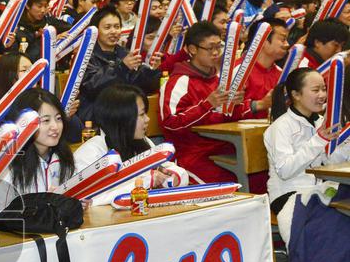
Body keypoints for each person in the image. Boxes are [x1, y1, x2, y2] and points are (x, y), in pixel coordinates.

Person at [264, 67, 350, 262]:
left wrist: (343, 144)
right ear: (296, 95)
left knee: (342, 217)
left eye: (324, 88)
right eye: (316, 90)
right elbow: (286, 170)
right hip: (289, 193)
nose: (323, 94)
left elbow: (330, 161)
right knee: (329, 224)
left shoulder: (322, 121)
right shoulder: (280, 127)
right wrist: (319, 141)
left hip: (320, 189)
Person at [160, 21, 259, 183]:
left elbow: (225, 116)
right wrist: (207, 105)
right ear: (192, 49)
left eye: (218, 47)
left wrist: (238, 104)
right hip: (192, 155)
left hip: (224, 147)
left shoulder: (219, 78)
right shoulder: (178, 81)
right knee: (232, 184)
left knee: (258, 173)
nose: (215, 53)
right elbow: (170, 124)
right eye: (210, 48)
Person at [74, 84, 188, 207]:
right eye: (141, 115)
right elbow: (91, 199)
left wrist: (173, 177)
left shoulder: (142, 142)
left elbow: (176, 171)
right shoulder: (92, 151)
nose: (147, 119)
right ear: (121, 118)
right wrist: (146, 181)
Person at [0, 88, 76, 217]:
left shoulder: (63, 158)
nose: (55, 127)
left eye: (58, 118)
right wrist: (43, 206)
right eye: (45, 120)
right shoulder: (7, 166)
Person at [78, 6, 161, 122]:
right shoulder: (85, 57)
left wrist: (152, 70)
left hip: (126, 112)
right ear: (96, 31)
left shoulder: (125, 53)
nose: (113, 31)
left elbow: (144, 87)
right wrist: (122, 68)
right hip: (98, 115)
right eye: (107, 27)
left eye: (117, 27)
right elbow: (92, 87)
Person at [243, 18, 287, 120]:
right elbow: (223, 111)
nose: (287, 44)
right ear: (263, 41)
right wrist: (261, 104)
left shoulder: (281, 74)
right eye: (283, 39)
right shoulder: (237, 71)